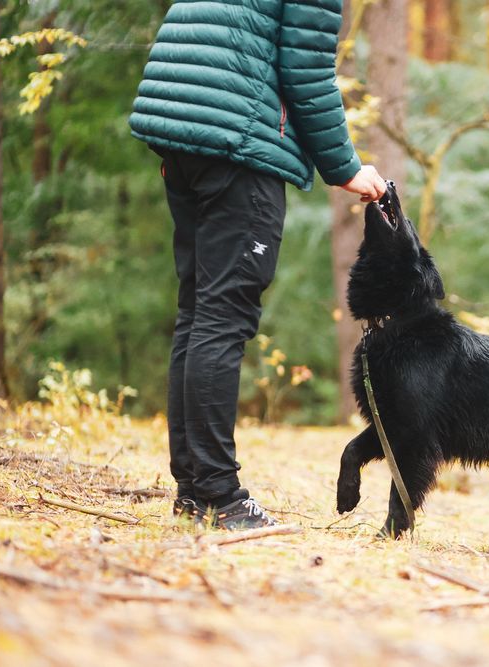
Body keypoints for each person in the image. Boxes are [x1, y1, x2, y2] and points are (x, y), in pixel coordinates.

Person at [129, 0, 386, 530]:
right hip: (236, 141)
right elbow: (306, 70)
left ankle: (194, 493)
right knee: (222, 316)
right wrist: (347, 168)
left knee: (199, 310)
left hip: (183, 124)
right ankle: (221, 496)